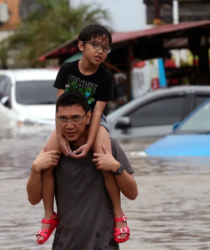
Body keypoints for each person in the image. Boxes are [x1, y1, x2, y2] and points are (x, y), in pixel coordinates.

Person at [36, 24, 130, 244]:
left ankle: (118, 215)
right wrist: (59, 136)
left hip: (97, 121)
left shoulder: (105, 77)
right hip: (67, 120)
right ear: (81, 45)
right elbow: (59, 106)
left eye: (105, 48)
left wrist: (89, 143)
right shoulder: (67, 69)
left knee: (104, 158)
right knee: (48, 160)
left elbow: (98, 112)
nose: (100, 51)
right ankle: (49, 216)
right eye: (95, 45)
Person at [27, 91, 138, 249]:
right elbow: (33, 199)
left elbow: (132, 193)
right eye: (63, 119)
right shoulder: (52, 154)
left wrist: (116, 167)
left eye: (75, 118)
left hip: (103, 245)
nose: (69, 126)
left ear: (88, 117)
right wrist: (35, 169)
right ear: (56, 119)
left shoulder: (107, 147)